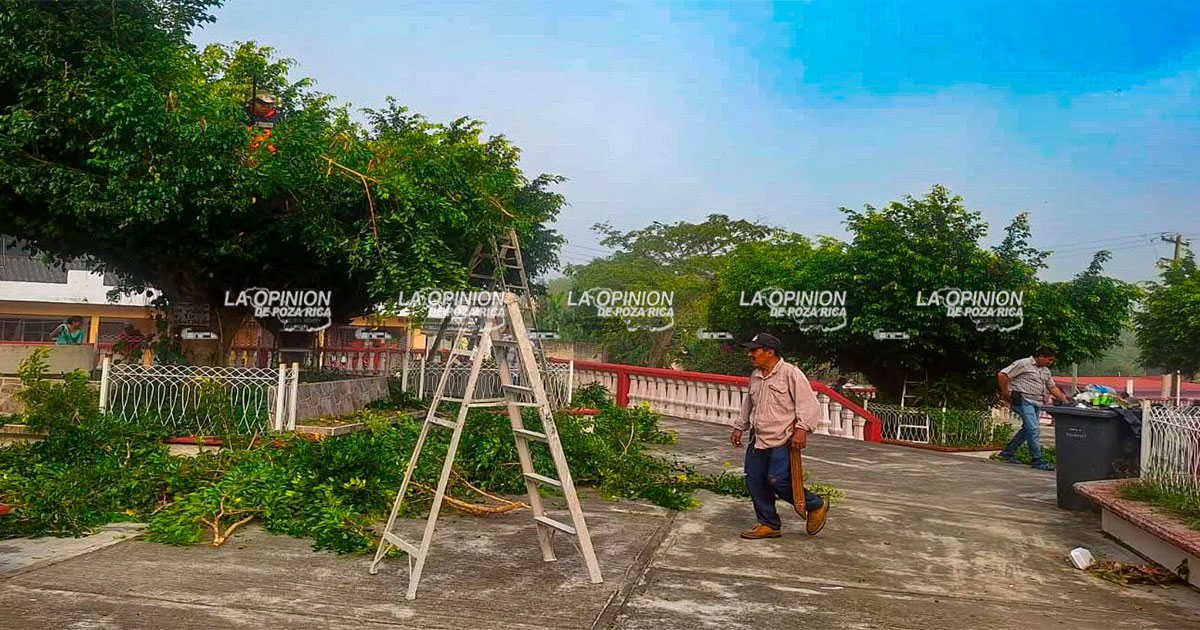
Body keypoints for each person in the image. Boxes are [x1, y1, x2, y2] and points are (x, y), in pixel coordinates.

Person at [731, 332, 829, 539]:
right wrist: (740, 426)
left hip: (783, 438)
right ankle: (769, 524)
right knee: (754, 480)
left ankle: (815, 504)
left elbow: (809, 404)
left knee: (777, 480)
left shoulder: (791, 374)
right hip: (758, 438)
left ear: (770, 352)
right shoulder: (756, 375)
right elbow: (748, 404)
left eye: (754, 350)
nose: (750, 354)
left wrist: (802, 429)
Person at [997, 346, 1071, 471]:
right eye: (1049, 359)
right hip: (1023, 400)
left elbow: (1052, 387)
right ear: (1041, 356)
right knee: (1033, 429)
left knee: (1028, 429)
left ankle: (1007, 453)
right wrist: (1005, 392)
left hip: (1037, 402)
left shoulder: (1046, 371)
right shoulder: (1023, 364)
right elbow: (1003, 374)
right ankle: (1037, 460)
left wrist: (1065, 400)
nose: (1051, 362)